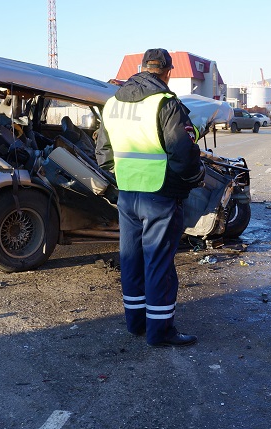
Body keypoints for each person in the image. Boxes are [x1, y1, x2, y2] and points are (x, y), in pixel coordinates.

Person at [95, 48, 205, 347]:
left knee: (131, 259)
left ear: (143, 67)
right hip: (160, 194)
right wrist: (192, 179)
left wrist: (124, 176)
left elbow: (103, 155)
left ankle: (136, 323)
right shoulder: (165, 103)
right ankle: (160, 332)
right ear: (167, 72)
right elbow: (183, 153)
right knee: (158, 263)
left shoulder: (113, 103)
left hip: (128, 194)